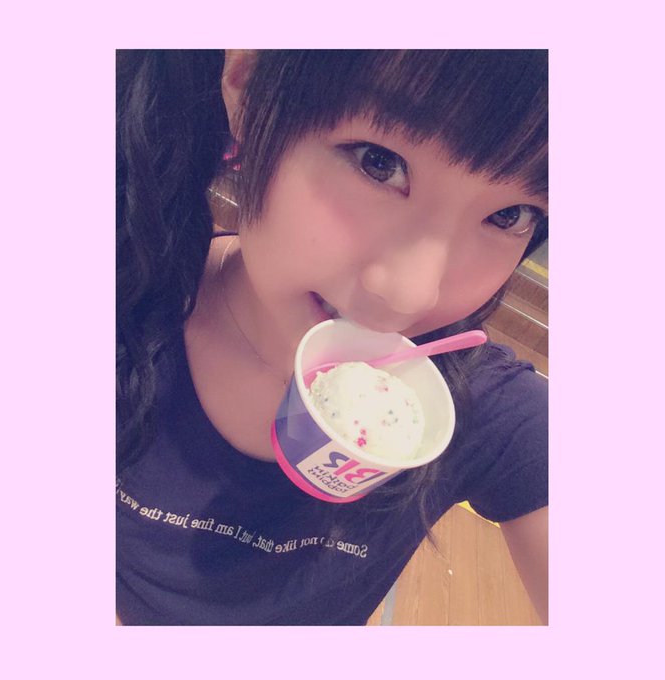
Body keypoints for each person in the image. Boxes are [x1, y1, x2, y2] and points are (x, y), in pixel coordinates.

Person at [116, 49, 548, 626]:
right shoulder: (125, 291)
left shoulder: (487, 412)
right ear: (249, 90)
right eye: (378, 162)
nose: (411, 295)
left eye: (510, 215)